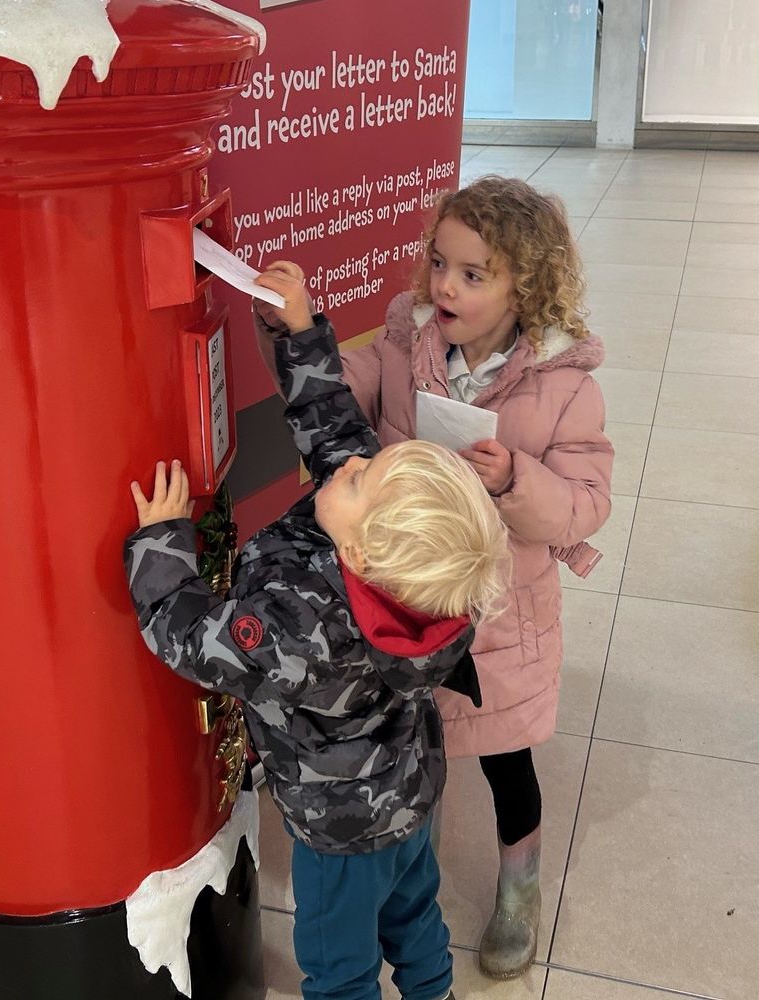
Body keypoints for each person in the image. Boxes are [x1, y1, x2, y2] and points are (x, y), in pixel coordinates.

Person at [257, 177, 613, 980]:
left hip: (500, 624)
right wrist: (300, 333)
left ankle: (519, 886)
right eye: (439, 262)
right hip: (407, 609)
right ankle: (411, 881)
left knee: (506, 759)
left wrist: (515, 479)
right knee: (421, 749)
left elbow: (587, 504)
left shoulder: (563, 389)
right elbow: (338, 395)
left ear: (527, 285)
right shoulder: (403, 344)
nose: (445, 285)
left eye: (474, 274)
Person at [126, 269, 509, 1000]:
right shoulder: (409, 579)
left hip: (340, 836)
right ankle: (436, 991)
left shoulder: (302, 625)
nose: (355, 462)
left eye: (362, 477)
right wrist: (298, 329)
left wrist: (160, 545)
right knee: (415, 919)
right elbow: (334, 427)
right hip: (410, 801)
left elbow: (190, 639)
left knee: (339, 970)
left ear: (361, 555)